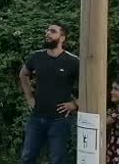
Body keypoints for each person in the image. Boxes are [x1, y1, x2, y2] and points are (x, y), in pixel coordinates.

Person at [19, 23, 79, 164]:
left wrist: (76, 104)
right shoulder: (36, 57)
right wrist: (29, 98)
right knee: (27, 158)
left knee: (57, 160)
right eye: (47, 30)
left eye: (52, 31)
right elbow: (23, 74)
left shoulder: (73, 61)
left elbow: (88, 84)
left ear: (62, 38)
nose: (47, 33)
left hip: (60, 121)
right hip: (36, 117)